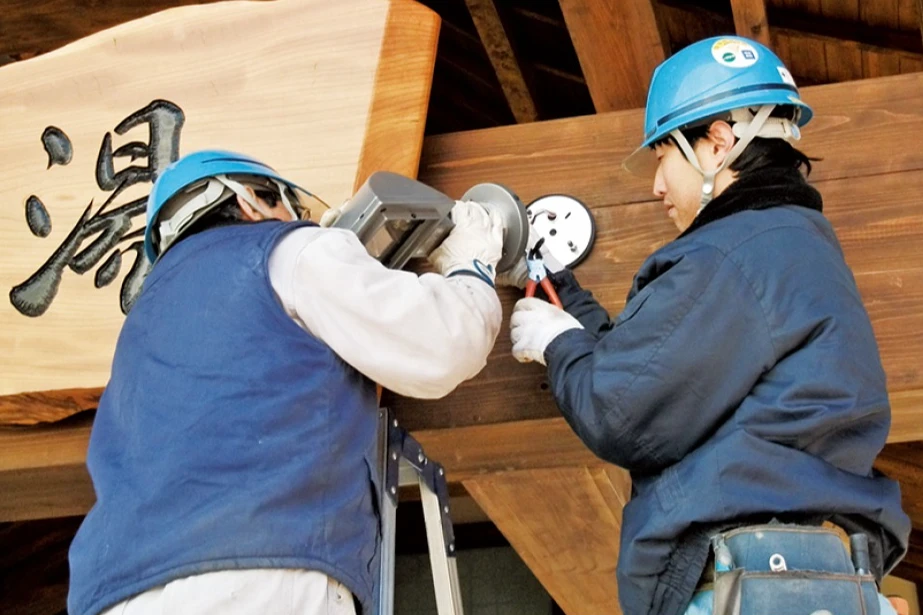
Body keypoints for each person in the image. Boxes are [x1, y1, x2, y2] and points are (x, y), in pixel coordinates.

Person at [508, 36, 910, 615]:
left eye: (661, 157)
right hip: (806, 578)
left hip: (758, 584)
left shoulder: (733, 254)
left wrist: (558, 344)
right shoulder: (785, 248)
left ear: (717, 144)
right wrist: (560, 293)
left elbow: (620, 410)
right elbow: (648, 364)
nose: (656, 186)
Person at [67, 150, 506, 615]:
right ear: (250, 200)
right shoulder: (290, 250)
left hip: (116, 596)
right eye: (294, 208)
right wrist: (471, 266)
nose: (302, 221)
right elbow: (441, 344)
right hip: (263, 571)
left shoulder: (137, 330)